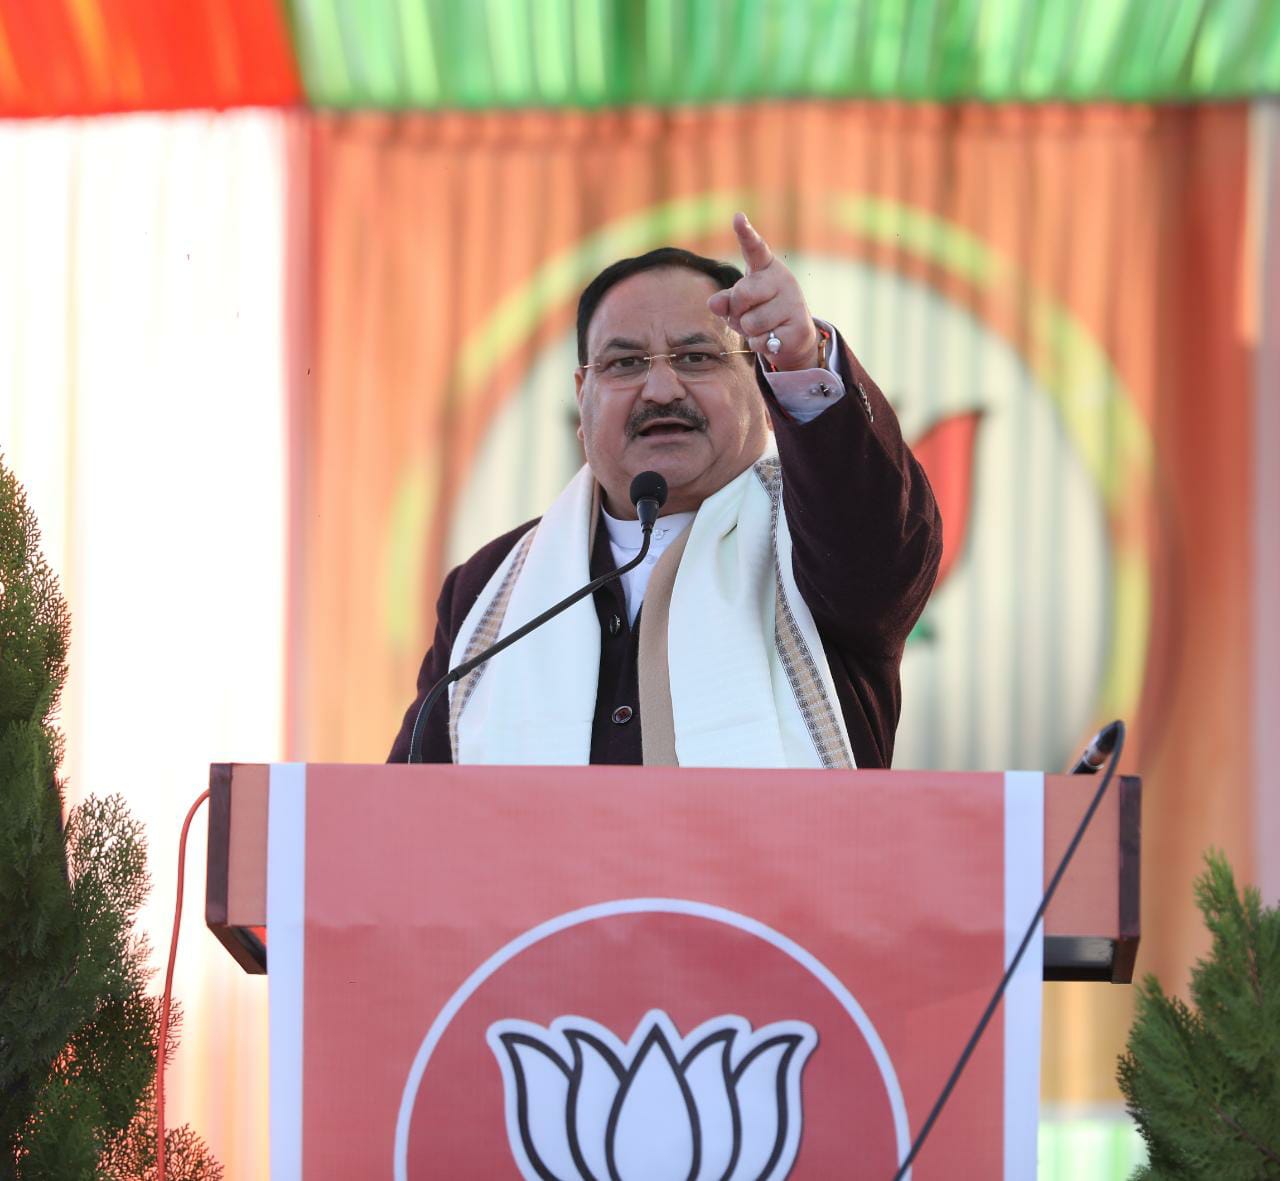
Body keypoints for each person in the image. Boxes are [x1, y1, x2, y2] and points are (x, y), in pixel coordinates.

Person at [388, 213, 941, 769]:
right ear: (583, 397)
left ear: (759, 380)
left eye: (696, 358)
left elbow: (880, 546)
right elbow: (415, 811)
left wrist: (801, 360)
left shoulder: (816, 535)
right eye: (625, 363)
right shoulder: (488, 590)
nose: (659, 389)